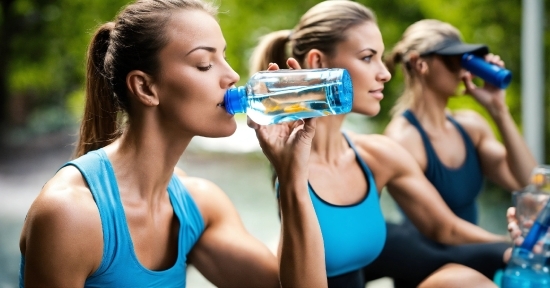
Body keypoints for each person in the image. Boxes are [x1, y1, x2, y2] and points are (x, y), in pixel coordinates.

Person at [18, 0, 325, 287]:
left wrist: (292, 176)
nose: (232, 75)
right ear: (145, 87)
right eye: (205, 64)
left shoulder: (198, 206)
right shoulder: (70, 215)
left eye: (224, 56)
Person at [249, 1, 511, 287]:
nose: (385, 73)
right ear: (318, 62)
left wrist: (517, 246)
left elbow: (445, 228)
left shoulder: (377, 155)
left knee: (461, 279)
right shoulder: (290, 165)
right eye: (367, 58)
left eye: (381, 57)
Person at [377, 18, 537, 287]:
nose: (463, 70)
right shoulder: (403, 138)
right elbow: (444, 229)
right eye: (454, 60)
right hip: (429, 270)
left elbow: (528, 184)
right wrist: (513, 247)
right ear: (420, 63)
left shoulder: (470, 126)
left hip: (479, 260)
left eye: (466, 60)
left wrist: (499, 110)